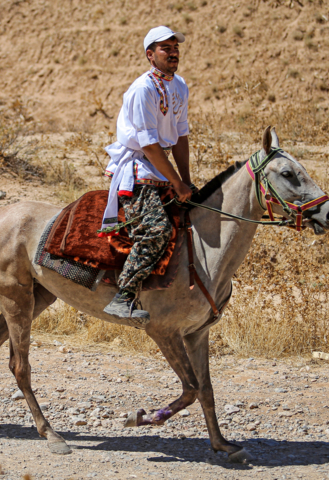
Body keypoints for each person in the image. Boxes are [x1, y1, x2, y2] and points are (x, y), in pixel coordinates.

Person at [101, 26, 194, 324]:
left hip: (161, 166)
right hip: (139, 167)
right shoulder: (143, 89)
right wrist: (177, 182)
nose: (173, 51)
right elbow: (150, 145)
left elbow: (180, 136)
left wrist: (186, 179)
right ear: (150, 55)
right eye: (165, 48)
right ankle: (123, 296)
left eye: (175, 47)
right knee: (156, 230)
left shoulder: (179, 86)